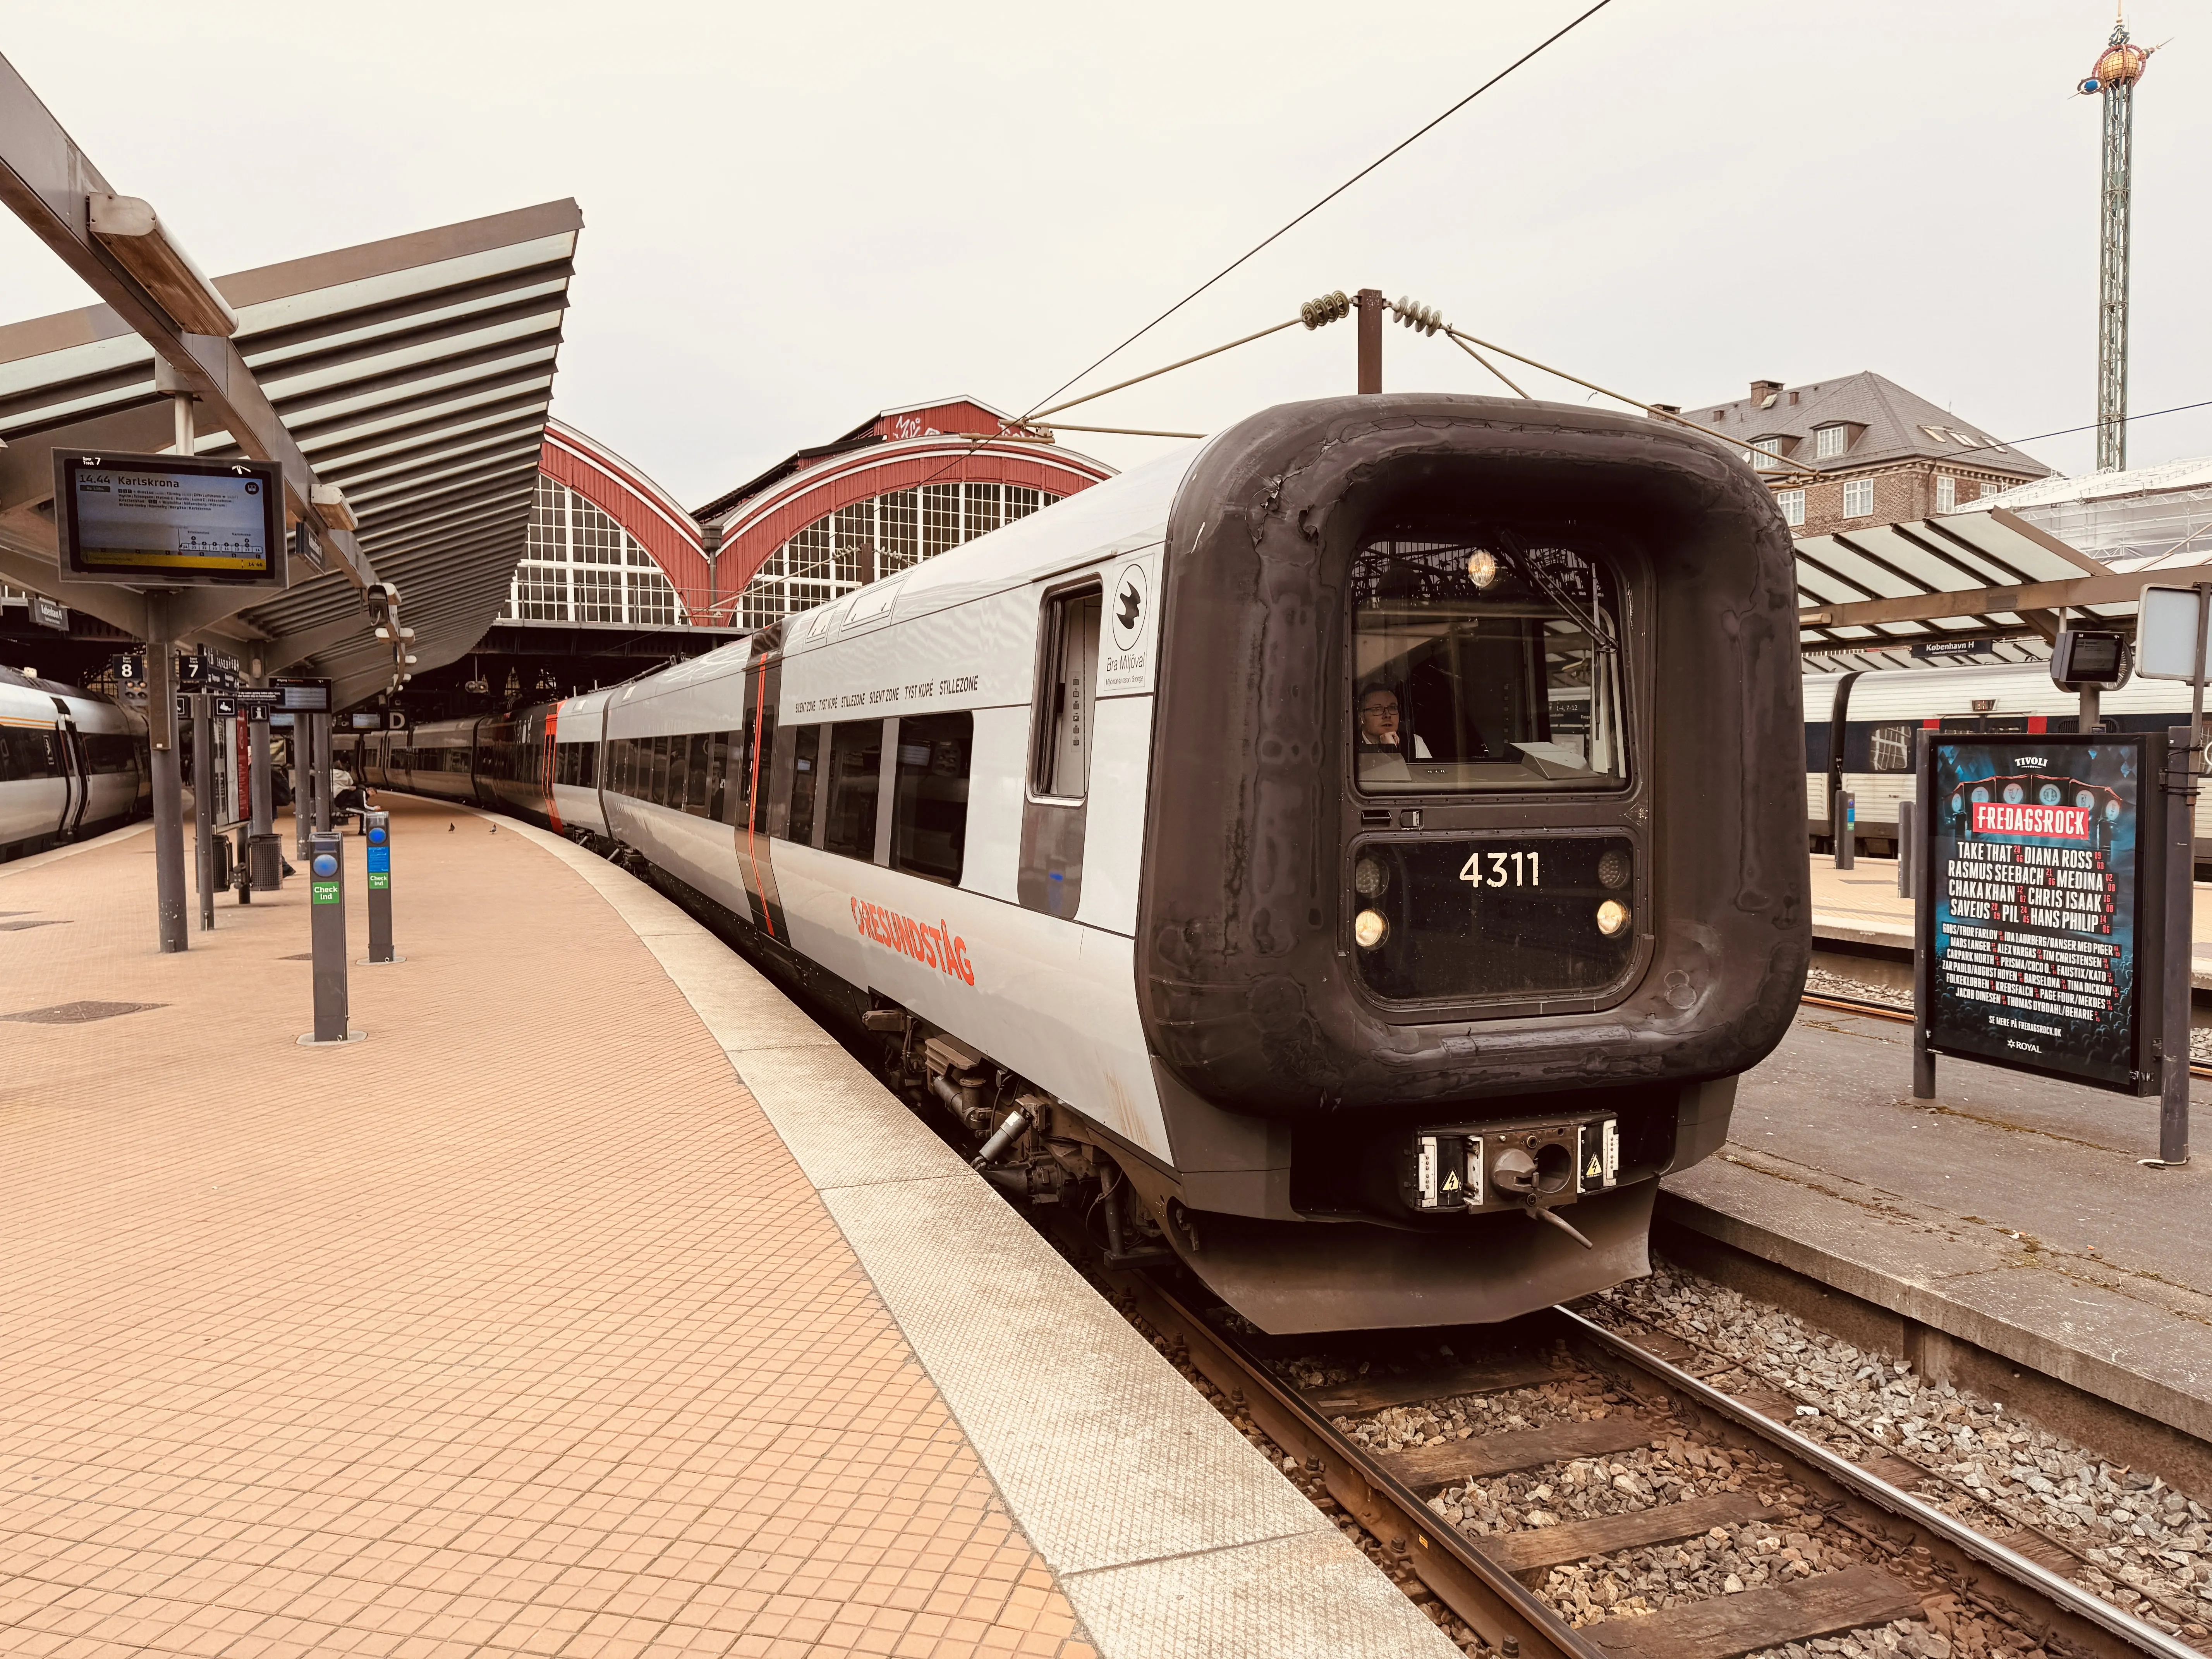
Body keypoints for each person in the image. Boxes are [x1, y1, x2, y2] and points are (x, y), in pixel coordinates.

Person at [1354, 686, 1432, 781]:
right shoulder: (1351, 745)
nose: (1387, 715)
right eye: (1378, 709)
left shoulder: (1414, 743)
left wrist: (1391, 749)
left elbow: (1426, 785)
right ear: (1362, 717)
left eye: (1393, 708)